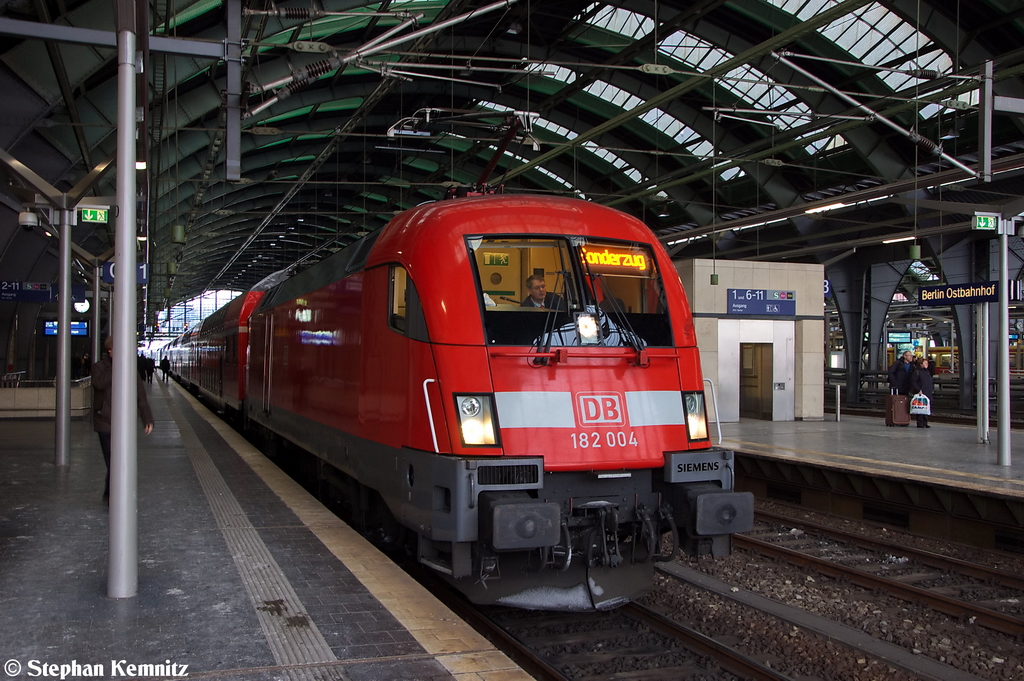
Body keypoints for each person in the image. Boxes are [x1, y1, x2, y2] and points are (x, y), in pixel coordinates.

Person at [93, 337, 154, 502]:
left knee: (117, 461)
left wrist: (147, 418)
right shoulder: (99, 367)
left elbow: (140, 396)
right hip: (104, 421)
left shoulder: (130, 369)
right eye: (116, 350)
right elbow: (98, 384)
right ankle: (114, 496)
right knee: (112, 462)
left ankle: (109, 493)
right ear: (110, 351)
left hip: (124, 423)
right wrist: (115, 368)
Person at [909, 357, 934, 428]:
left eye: (927, 363)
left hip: (927, 392)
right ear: (921, 364)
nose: (927, 364)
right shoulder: (917, 371)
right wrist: (918, 390)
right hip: (921, 392)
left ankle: (925, 422)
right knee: (920, 407)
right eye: (925, 363)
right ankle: (920, 423)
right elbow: (913, 381)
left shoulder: (927, 371)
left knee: (926, 407)